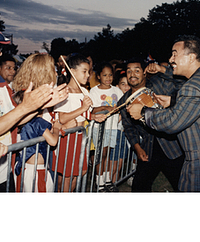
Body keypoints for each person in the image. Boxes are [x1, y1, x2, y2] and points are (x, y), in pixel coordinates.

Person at [127, 35, 200, 192]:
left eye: (175, 54)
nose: (170, 59)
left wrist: (143, 112)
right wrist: (173, 100)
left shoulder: (193, 87)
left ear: (191, 57)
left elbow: (172, 122)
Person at [0, 27, 69, 191]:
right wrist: (29, 107)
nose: (0, 53)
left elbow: (14, 120)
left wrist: (39, 105)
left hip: (5, 169)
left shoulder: (0, 83)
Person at [118, 57, 185, 192]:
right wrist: (137, 148)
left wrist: (162, 69)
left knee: (183, 186)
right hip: (148, 149)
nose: (133, 74)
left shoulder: (159, 84)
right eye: (129, 71)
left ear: (144, 72)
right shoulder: (124, 101)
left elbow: (182, 81)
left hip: (172, 145)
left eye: (137, 70)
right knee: (139, 188)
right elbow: (129, 127)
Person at [54, 54, 105, 192]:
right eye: (84, 71)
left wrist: (93, 117)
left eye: (88, 71)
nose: (88, 75)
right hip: (68, 140)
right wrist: (82, 108)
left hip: (81, 139)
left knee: (79, 173)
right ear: (72, 71)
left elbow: (83, 115)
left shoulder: (83, 90)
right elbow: (63, 118)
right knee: (67, 176)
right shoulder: (64, 91)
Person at [12, 53, 63, 192]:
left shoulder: (29, 94)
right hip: (34, 165)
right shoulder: (28, 97)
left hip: (32, 162)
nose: (56, 72)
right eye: (52, 68)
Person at [89, 62, 123, 192]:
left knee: (108, 153)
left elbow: (121, 105)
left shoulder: (116, 90)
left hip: (112, 127)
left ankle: (107, 180)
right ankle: (99, 183)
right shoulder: (94, 91)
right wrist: (105, 108)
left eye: (110, 75)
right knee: (100, 155)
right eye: (104, 75)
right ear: (98, 76)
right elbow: (92, 110)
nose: (108, 78)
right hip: (99, 127)